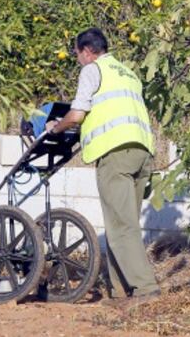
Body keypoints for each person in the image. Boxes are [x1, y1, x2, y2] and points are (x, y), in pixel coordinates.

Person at [46, 27, 160, 305]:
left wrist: (55, 128)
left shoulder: (92, 70)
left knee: (121, 226)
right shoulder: (127, 73)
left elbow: (76, 114)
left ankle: (146, 290)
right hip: (142, 151)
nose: (78, 60)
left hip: (116, 153)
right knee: (125, 224)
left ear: (87, 51)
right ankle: (120, 292)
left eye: (77, 54)